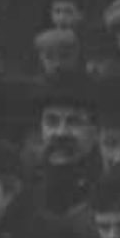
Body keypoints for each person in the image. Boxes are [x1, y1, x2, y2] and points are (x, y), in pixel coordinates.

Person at [36, 74, 102, 215]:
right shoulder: (26, 184)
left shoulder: (105, 187)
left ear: (96, 132)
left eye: (74, 122)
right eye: (52, 121)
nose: (61, 133)